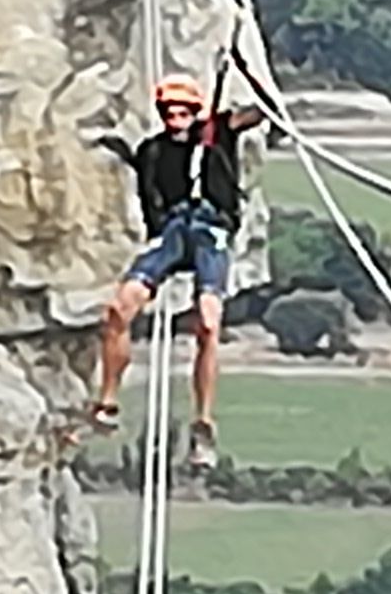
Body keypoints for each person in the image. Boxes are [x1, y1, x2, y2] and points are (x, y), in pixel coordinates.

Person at [89, 69, 266, 467]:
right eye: (170, 111)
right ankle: (108, 400)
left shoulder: (217, 133)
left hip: (211, 230)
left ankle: (203, 424)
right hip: (174, 231)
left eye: (184, 110)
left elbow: (266, 110)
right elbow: (151, 196)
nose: (177, 117)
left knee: (208, 321)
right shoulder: (153, 151)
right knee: (120, 308)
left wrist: (243, 67)